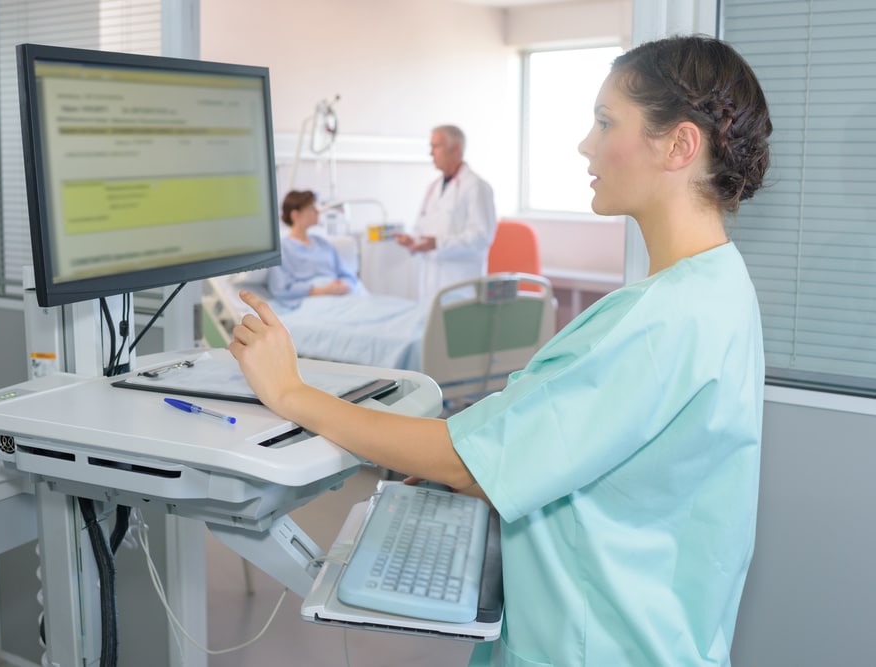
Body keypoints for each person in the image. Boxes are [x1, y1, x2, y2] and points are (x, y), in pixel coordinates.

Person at [230, 34, 771, 667]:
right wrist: (486, 475)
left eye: (604, 123)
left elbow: (462, 459)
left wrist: (291, 391)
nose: (585, 144)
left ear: (679, 144)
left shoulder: (658, 323)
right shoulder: (718, 285)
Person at [395, 125, 497, 301]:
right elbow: (422, 227)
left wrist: (438, 244)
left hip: (460, 286)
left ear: (455, 148)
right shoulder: (432, 188)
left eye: (436, 146)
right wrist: (413, 240)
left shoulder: (476, 187)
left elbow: (481, 237)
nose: (431, 153)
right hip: (430, 286)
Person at [267, 190, 363, 307]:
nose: (318, 212)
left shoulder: (322, 243)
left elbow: (346, 274)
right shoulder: (282, 249)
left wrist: (346, 284)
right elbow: (281, 288)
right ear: (295, 215)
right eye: (312, 208)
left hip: (342, 296)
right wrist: (323, 291)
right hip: (312, 301)